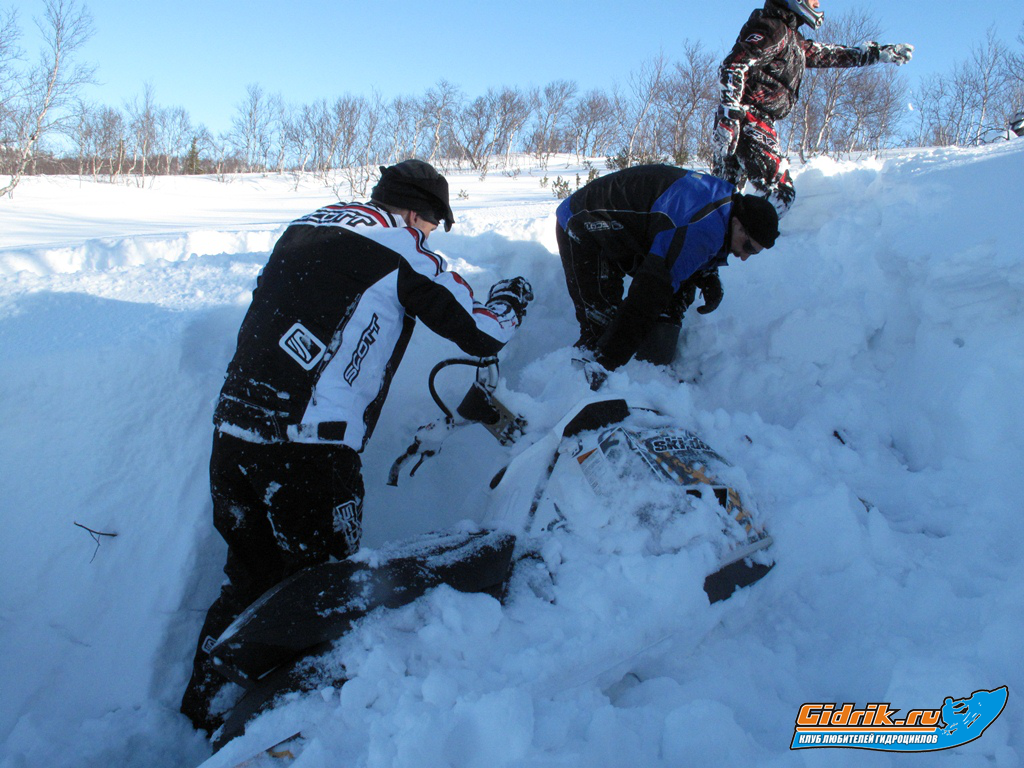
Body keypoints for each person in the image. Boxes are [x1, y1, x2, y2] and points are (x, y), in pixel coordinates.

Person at [181, 159, 533, 734]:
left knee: (248, 579)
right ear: (417, 214)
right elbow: (483, 331)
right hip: (308, 451)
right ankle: (283, 735)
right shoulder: (398, 245)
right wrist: (511, 298)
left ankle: (201, 714)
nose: (429, 238)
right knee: (322, 595)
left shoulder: (307, 224)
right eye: (432, 227)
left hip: (234, 435)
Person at [555, 164, 779, 376]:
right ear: (738, 223)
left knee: (676, 287)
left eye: (754, 253)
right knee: (600, 329)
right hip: (583, 222)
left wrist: (707, 274)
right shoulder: (706, 226)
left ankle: (648, 366)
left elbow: (681, 241)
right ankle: (579, 384)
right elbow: (648, 293)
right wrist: (609, 360)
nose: (744, 257)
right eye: (748, 247)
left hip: (625, 231)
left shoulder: (722, 207)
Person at [712, 0, 914, 213]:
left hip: (745, 118)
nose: (817, 4)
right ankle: (754, 232)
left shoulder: (791, 39)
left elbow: (827, 54)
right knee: (779, 193)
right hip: (749, 119)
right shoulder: (772, 29)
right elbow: (734, 65)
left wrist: (875, 53)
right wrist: (729, 115)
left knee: (723, 200)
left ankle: (724, 231)